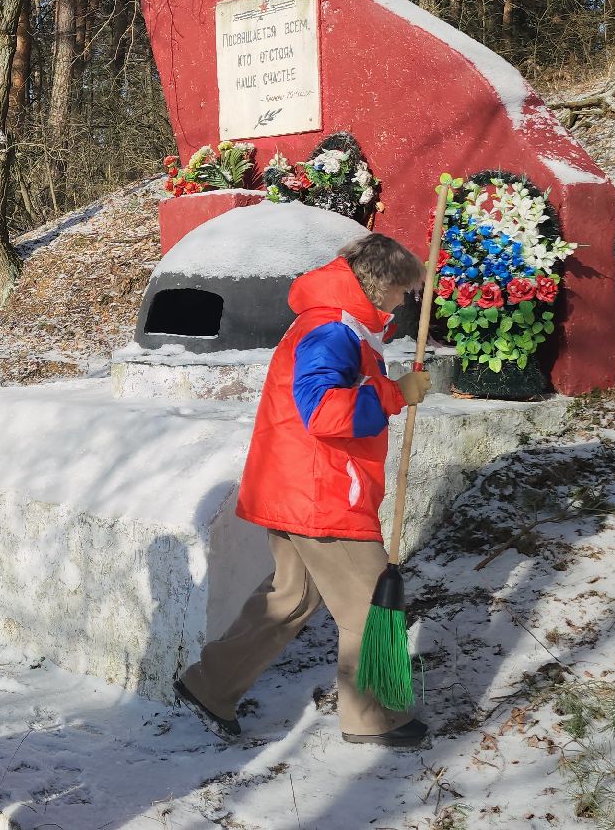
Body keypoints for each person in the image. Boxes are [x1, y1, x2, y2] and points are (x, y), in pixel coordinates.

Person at [175, 233, 434, 748]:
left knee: (291, 596)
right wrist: (394, 394)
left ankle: (210, 685)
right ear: (379, 283)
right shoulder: (333, 330)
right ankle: (374, 717)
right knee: (371, 606)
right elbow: (322, 411)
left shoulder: (335, 324)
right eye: (404, 289)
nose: (406, 301)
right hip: (323, 493)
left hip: (300, 486)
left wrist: (389, 388)